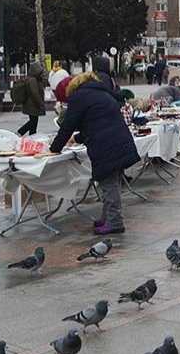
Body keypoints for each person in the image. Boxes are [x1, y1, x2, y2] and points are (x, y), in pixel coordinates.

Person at [50, 72, 140, 235]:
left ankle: (115, 222)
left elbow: (67, 125)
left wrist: (54, 148)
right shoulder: (100, 93)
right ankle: (108, 218)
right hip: (118, 141)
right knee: (111, 183)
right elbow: (96, 122)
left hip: (107, 145)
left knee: (109, 185)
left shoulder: (80, 97)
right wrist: (77, 139)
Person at [16, 62, 48, 136]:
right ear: (35, 71)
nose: (41, 73)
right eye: (40, 71)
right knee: (33, 122)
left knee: (33, 123)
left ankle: (32, 136)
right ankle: (20, 132)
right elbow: (35, 93)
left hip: (32, 105)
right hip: (32, 105)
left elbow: (44, 83)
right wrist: (40, 104)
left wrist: (44, 76)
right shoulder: (32, 80)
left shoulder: (35, 79)